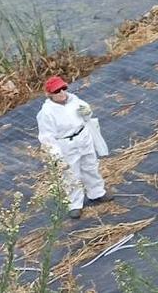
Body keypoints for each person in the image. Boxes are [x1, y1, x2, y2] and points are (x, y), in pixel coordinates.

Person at [36, 76, 110, 218]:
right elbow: (47, 138)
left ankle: (96, 193)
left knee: (90, 166)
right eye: (57, 91)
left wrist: (87, 112)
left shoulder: (74, 100)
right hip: (66, 144)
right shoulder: (47, 113)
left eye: (63, 88)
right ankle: (75, 204)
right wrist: (56, 156)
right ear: (50, 94)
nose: (62, 93)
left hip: (83, 137)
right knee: (71, 175)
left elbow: (86, 114)